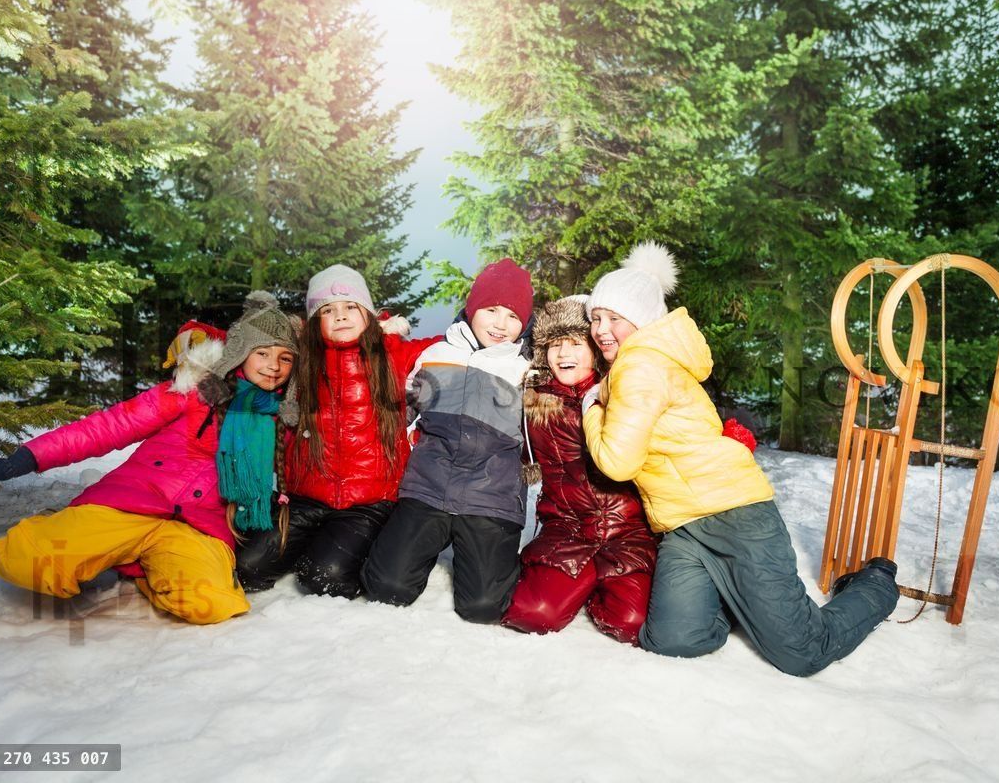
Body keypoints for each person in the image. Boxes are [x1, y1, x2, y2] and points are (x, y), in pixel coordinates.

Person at [581, 242, 900, 676]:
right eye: (596, 318)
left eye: (614, 318)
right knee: (674, 639)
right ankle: (741, 599)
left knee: (803, 652)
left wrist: (591, 411)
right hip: (683, 527)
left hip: (736, 514)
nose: (601, 329)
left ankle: (876, 583)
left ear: (641, 320)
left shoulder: (639, 366)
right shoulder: (642, 363)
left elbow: (617, 462)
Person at [0, 292, 298, 624]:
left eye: (286, 358)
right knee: (28, 560)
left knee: (212, 604)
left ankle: (149, 567)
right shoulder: (194, 391)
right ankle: (68, 528)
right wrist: (29, 457)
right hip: (132, 503)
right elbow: (111, 426)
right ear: (241, 352)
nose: (274, 366)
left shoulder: (284, 419)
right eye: (262, 353)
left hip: (197, 527)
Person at [234, 264, 440, 599]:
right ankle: (315, 543)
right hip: (306, 496)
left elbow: (450, 347)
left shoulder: (394, 354)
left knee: (324, 576)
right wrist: (197, 340)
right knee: (248, 566)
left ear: (368, 314)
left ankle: (345, 549)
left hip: (369, 500)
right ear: (314, 321)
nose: (340, 316)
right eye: (328, 310)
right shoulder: (302, 358)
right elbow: (244, 350)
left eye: (350, 307)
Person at [362, 258, 534, 623]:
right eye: (491, 310)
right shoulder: (436, 355)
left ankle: (488, 555)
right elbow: (403, 411)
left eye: (513, 316)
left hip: (491, 497)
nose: (501, 324)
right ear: (472, 308)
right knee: (388, 586)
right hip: (429, 487)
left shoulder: (526, 370)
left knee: (483, 607)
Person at [501, 297, 657, 644]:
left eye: (575, 343)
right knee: (534, 613)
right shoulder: (532, 401)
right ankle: (576, 582)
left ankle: (599, 583)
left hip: (627, 530)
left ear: (595, 348)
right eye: (554, 345)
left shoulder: (623, 392)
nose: (563, 353)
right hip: (567, 527)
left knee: (632, 623)